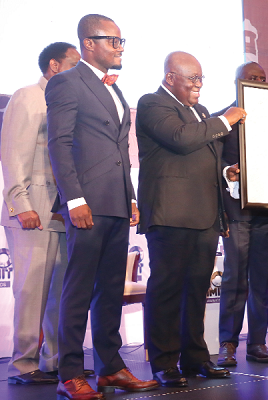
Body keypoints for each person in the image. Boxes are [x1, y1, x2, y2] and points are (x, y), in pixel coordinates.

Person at [46, 14, 158, 399]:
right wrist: (73, 198)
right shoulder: (65, 83)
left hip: (114, 201)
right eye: (112, 40)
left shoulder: (116, 90)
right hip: (85, 203)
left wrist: (130, 196)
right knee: (78, 290)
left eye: (121, 40)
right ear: (88, 43)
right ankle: (70, 373)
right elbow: (59, 145)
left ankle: (111, 368)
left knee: (110, 289)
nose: (120, 47)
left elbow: (118, 151)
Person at [136, 51, 246, 387]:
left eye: (201, 79)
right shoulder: (152, 103)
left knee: (197, 291)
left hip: (203, 215)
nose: (198, 86)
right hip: (170, 214)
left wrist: (226, 175)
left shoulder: (198, 111)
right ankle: (164, 361)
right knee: (167, 289)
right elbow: (181, 140)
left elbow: (207, 160)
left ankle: (195, 358)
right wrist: (225, 120)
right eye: (192, 79)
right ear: (171, 78)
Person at [1, 42, 79, 385]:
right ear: (54, 65)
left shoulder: (70, 101)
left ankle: (55, 361)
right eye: (75, 63)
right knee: (32, 290)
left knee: (60, 292)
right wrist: (21, 204)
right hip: (32, 210)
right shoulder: (28, 96)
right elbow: (12, 154)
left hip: (62, 214)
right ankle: (22, 365)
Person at [213, 62, 268, 367]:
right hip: (236, 211)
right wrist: (228, 172)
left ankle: (258, 342)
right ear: (237, 83)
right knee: (235, 278)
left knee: (261, 279)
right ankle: (228, 344)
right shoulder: (222, 119)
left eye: (262, 78)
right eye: (251, 78)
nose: (258, 81)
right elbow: (213, 163)